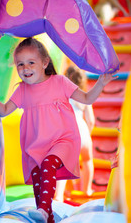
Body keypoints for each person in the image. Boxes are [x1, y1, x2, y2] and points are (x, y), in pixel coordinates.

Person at [0, 37, 116, 223]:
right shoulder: (22, 90)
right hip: (35, 146)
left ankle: (42, 210)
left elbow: (87, 98)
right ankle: (46, 215)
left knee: (49, 165)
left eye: (31, 63)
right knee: (39, 186)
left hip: (62, 140)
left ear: (45, 62)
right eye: (20, 64)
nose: (25, 68)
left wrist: (101, 83)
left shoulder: (60, 82)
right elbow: (3, 111)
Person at [54, 66, 96, 202]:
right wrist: (88, 134)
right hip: (83, 133)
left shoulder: (62, 96)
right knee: (87, 160)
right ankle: (87, 189)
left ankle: (59, 195)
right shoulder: (84, 96)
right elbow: (91, 121)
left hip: (70, 134)